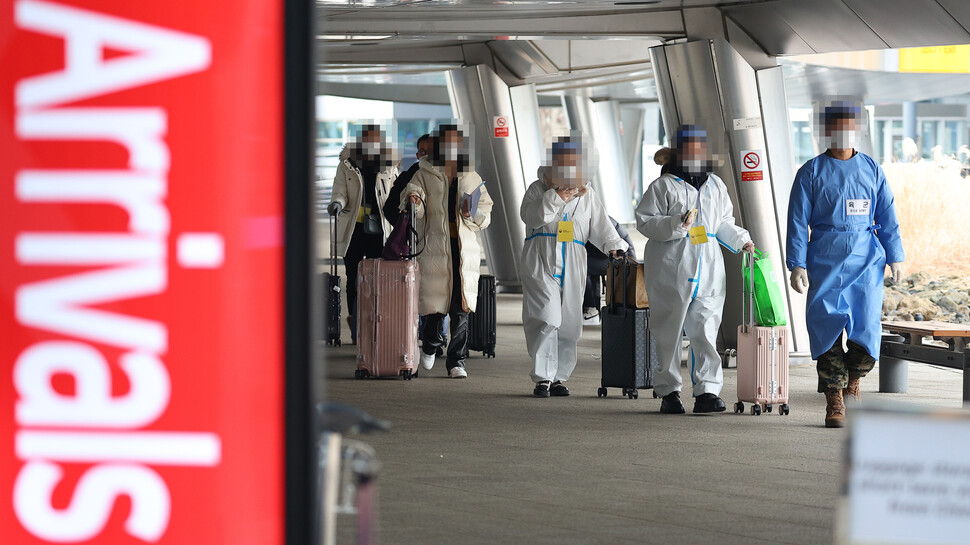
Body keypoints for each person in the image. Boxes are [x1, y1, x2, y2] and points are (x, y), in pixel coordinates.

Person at [786, 99, 904, 428]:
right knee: (826, 331)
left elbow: (887, 215)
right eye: (835, 126)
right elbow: (797, 221)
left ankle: (853, 383)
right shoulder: (810, 172)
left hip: (866, 260)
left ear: (857, 130)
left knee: (867, 333)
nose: (842, 133)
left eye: (847, 126)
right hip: (825, 259)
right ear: (826, 131)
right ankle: (834, 400)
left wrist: (895, 255)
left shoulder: (871, 170)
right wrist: (797, 263)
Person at [635, 125, 754, 414]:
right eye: (690, 147)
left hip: (709, 267)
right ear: (679, 151)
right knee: (669, 331)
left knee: (705, 329)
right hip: (671, 264)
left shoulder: (715, 185)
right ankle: (669, 392)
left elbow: (723, 222)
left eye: (700, 147)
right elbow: (644, 221)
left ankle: (707, 391)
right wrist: (676, 224)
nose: (695, 152)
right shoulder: (662, 186)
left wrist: (742, 239)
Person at [521, 136, 627, 397]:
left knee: (569, 323)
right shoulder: (538, 189)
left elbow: (602, 226)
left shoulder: (587, 195)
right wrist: (557, 197)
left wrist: (614, 245)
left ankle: (559, 376)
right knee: (546, 318)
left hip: (574, 259)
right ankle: (543, 377)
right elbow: (532, 216)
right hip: (541, 257)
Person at [404, 124, 493, 378]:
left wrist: (472, 212)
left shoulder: (471, 175)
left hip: (464, 252)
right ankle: (430, 345)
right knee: (435, 306)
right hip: (435, 248)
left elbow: (485, 211)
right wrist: (414, 199)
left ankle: (457, 361)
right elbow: (413, 194)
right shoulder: (425, 172)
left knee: (461, 308)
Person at [327, 124, 400, 344]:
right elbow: (339, 190)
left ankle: (375, 322)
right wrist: (336, 204)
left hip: (380, 231)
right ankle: (356, 321)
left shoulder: (389, 167)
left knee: (379, 278)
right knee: (354, 277)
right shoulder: (347, 165)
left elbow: (394, 194)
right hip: (355, 230)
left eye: (375, 141)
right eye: (367, 141)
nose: (371, 145)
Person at [582, 216, 636, 325]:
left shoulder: (593, 221)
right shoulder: (604, 219)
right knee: (588, 269)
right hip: (608, 258)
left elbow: (625, 241)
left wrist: (632, 264)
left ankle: (591, 308)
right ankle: (593, 310)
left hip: (613, 259)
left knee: (582, 267)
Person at [383, 133, 432, 225]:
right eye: (422, 152)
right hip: (416, 236)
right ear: (418, 155)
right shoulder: (407, 177)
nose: (426, 156)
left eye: (430, 151)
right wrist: (406, 229)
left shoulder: (447, 178)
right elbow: (389, 209)